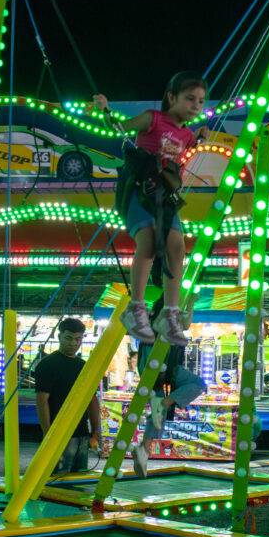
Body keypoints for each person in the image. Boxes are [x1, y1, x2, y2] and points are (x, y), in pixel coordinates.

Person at [94, 72, 209, 348]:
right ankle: (135, 309)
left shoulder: (187, 134)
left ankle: (169, 315)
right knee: (148, 241)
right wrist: (105, 110)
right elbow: (119, 127)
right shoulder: (152, 118)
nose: (196, 105)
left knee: (177, 247)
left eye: (201, 101)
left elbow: (189, 147)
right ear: (172, 97)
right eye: (190, 98)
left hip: (165, 195)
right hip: (138, 190)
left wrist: (201, 136)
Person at [132, 296, 204, 477]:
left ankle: (144, 449)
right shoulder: (168, 318)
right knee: (198, 383)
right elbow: (186, 324)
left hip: (147, 367)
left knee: (158, 412)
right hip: (163, 366)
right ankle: (166, 402)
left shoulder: (148, 321)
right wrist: (190, 303)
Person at [34, 318, 101, 473]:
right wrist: (47, 433)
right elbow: (41, 401)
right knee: (56, 481)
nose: (73, 343)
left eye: (77, 339)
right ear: (59, 337)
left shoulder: (84, 366)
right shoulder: (47, 365)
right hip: (59, 434)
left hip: (82, 433)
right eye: (68, 338)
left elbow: (92, 400)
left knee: (79, 483)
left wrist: (95, 432)